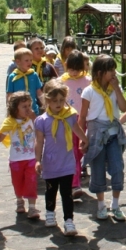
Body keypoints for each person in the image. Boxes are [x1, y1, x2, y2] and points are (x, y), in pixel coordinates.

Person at [35, 79, 88, 235]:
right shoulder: (42, 121)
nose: (58, 104)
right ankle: (50, 213)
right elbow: (39, 142)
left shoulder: (70, 116)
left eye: (61, 100)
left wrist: (85, 140)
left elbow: (77, 130)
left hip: (67, 161)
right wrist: (37, 160)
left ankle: (69, 220)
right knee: (51, 190)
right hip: (50, 162)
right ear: (47, 100)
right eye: (54, 100)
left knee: (66, 193)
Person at [79, 54, 126, 221]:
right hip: (96, 134)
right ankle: (101, 205)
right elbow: (83, 115)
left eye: (114, 70)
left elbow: (123, 106)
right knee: (97, 169)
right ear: (99, 73)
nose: (114, 73)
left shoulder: (115, 89)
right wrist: (82, 137)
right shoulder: (89, 91)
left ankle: (115, 204)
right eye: (110, 70)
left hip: (113, 134)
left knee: (117, 168)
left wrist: (116, 89)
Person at [0, 92, 41, 219]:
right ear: (15, 108)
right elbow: (0, 138)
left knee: (31, 182)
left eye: (29, 106)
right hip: (16, 160)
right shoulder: (9, 122)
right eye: (24, 107)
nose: (28, 109)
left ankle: (32, 207)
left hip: (31, 158)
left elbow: (40, 130)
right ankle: (19, 200)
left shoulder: (32, 119)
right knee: (17, 182)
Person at [61, 50, 91, 199]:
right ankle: (75, 183)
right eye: (71, 68)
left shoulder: (87, 81)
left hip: (83, 120)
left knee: (80, 150)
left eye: (77, 69)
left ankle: (74, 176)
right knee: (73, 150)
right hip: (68, 120)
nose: (73, 72)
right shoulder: (62, 81)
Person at [6, 48, 43, 115]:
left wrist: (45, 105)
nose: (30, 62)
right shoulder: (12, 77)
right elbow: (9, 95)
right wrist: (9, 111)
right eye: (26, 60)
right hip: (18, 112)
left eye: (31, 60)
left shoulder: (34, 75)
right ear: (18, 62)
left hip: (33, 110)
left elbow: (39, 92)